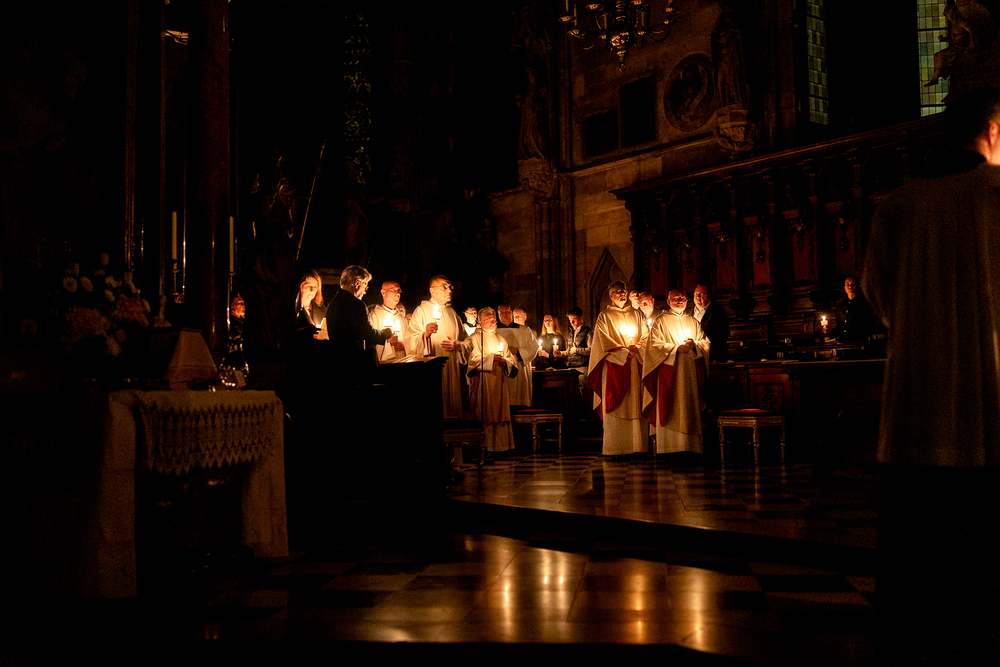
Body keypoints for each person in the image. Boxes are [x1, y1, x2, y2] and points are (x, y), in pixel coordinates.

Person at [862, 85, 1000, 664]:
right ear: (992, 131)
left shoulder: (898, 205)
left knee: (919, 562)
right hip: (987, 396)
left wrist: (923, 326)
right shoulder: (995, 194)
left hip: (916, 403)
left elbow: (876, 292)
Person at [642, 290, 709, 457]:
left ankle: (691, 447)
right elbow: (653, 345)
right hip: (669, 372)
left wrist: (694, 345)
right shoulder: (660, 321)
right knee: (669, 404)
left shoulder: (692, 321)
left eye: (683, 298)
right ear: (668, 301)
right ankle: (669, 448)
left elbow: (705, 342)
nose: (680, 301)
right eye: (676, 298)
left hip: (689, 374)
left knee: (689, 404)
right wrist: (675, 349)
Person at [587, 281, 649, 457]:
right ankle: (616, 447)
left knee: (636, 402)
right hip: (615, 364)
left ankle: (638, 446)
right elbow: (602, 341)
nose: (622, 294)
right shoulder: (604, 316)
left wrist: (638, 347)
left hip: (635, 362)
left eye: (624, 291)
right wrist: (623, 352)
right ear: (610, 295)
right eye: (618, 291)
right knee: (616, 404)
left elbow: (646, 335)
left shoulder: (636, 314)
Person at [405, 275, 469, 418]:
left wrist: (458, 345)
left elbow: (468, 341)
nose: (449, 291)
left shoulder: (453, 313)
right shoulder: (421, 311)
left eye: (450, 287)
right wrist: (425, 335)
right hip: (432, 368)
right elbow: (410, 340)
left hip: (453, 367)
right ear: (432, 290)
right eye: (444, 287)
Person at [326, 265, 391, 389]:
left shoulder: (332, 304)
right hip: (360, 366)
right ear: (357, 283)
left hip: (340, 364)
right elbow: (366, 333)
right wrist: (384, 334)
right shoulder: (356, 304)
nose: (366, 289)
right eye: (365, 284)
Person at [466, 307, 518, 453]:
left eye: (493, 319)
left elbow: (511, 360)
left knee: (501, 412)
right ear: (480, 322)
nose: (492, 322)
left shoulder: (500, 339)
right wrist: (490, 359)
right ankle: (485, 447)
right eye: (488, 320)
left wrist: (505, 362)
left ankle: (502, 446)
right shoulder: (474, 338)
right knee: (485, 412)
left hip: (500, 382)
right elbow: (473, 360)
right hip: (484, 382)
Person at [499, 307, 538, 408]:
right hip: (501, 369)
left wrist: (517, 351)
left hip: (520, 369)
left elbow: (534, 347)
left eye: (507, 312)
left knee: (519, 400)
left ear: (511, 313)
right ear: (498, 314)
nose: (505, 314)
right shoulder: (494, 331)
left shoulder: (524, 330)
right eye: (502, 312)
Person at [368, 280, 407, 363]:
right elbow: (370, 340)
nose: (397, 294)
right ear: (383, 292)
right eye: (393, 290)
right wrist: (387, 343)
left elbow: (410, 340)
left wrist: (404, 346)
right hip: (384, 363)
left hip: (402, 361)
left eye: (399, 290)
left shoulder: (402, 319)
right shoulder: (375, 316)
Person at [691, 285, 729, 362]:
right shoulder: (688, 313)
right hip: (693, 357)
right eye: (696, 293)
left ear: (708, 296)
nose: (698, 296)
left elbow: (721, 338)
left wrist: (716, 358)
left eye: (701, 294)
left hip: (712, 357)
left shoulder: (718, 312)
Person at [832, 276, 875, 344]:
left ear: (857, 287)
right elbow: (839, 325)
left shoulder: (863, 304)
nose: (850, 287)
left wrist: (860, 341)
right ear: (844, 288)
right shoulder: (841, 305)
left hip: (858, 342)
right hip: (843, 342)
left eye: (852, 284)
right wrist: (830, 332)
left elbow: (866, 325)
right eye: (847, 284)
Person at [565, 306, 593, 370]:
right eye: (570, 320)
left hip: (582, 367)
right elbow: (569, 351)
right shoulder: (571, 333)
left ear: (581, 318)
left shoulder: (588, 331)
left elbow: (591, 350)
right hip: (571, 366)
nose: (572, 323)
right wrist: (561, 353)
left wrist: (576, 350)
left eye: (574, 320)